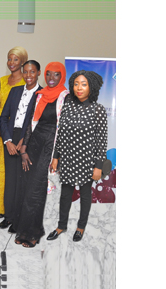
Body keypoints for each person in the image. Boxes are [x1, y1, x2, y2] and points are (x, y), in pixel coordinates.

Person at [11, 62, 69, 247]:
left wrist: (56, 156)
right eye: (49, 74)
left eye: (56, 75)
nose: (51, 78)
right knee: (27, 188)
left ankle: (32, 234)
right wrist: (24, 148)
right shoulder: (40, 95)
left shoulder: (65, 97)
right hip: (35, 144)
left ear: (62, 76)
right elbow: (31, 123)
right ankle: (24, 229)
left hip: (51, 146)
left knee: (36, 190)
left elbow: (65, 130)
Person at [47, 70, 107, 242]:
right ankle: (61, 226)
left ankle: (81, 227)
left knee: (85, 195)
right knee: (65, 195)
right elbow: (61, 135)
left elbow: (101, 141)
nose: (79, 88)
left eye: (84, 84)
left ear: (91, 87)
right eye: (76, 84)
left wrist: (98, 166)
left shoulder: (98, 110)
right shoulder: (67, 106)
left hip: (87, 161)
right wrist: (56, 157)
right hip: (67, 158)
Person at [0, 60, 42, 234]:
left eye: (32, 72)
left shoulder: (42, 94)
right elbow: (3, 117)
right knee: (10, 179)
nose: (28, 75)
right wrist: (8, 140)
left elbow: (39, 121)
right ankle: (9, 216)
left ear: (38, 72)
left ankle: (19, 218)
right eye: (25, 72)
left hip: (30, 139)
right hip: (11, 137)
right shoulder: (15, 91)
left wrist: (24, 141)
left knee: (23, 181)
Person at [0, 47, 28, 222]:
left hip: (15, 133)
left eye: (15, 60)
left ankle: (7, 208)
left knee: (9, 172)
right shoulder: (1, 81)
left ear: (22, 62)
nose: (11, 63)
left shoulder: (26, 83)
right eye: (9, 59)